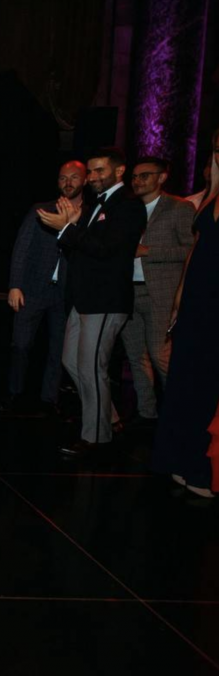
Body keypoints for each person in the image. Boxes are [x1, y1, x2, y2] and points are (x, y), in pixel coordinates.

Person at [37, 147, 145, 458]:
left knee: (91, 367)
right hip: (83, 299)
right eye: (92, 171)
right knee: (72, 361)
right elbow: (80, 250)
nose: (93, 176)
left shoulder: (128, 204)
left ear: (119, 171)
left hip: (105, 299)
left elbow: (106, 249)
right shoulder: (97, 204)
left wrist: (68, 228)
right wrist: (70, 226)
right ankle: (108, 418)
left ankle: (97, 438)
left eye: (99, 171)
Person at [152, 129, 219, 499]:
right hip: (195, 299)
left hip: (215, 302)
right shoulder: (211, 198)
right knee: (184, 380)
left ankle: (200, 469)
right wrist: (179, 293)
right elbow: (197, 248)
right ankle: (179, 459)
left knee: (207, 383)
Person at [1, 161, 87, 415]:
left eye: (73, 177)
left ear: (84, 180)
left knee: (59, 349)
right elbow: (22, 249)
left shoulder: (91, 215)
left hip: (67, 293)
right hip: (33, 289)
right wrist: (15, 285)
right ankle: (13, 393)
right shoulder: (40, 210)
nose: (67, 182)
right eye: (62, 178)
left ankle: (50, 399)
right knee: (21, 345)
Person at [119, 157, 195, 426]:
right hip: (129, 292)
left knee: (160, 356)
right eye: (135, 176)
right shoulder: (128, 209)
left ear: (162, 177)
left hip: (160, 293)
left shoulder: (179, 208)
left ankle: (182, 413)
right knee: (136, 357)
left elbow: (191, 251)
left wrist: (148, 252)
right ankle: (147, 414)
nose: (137, 181)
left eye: (145, 175)